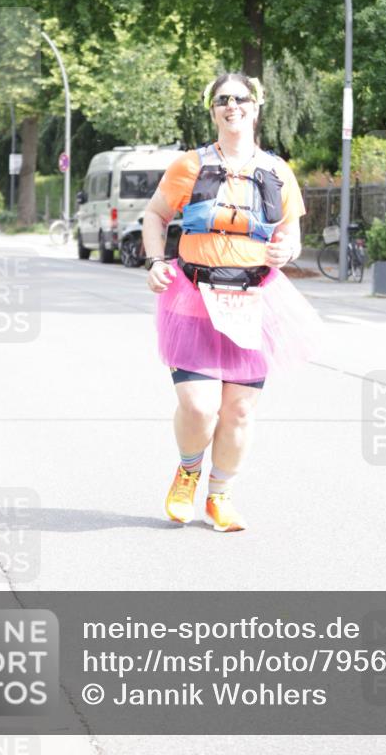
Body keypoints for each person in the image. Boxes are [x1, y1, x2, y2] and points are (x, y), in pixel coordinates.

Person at [143, 72, 317, 533]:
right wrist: (156, 260)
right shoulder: (189, 165)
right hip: (192, 298)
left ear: (256, 107)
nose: (232, 106)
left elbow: (291, 234)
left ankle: (219, 497)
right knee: (200, 407)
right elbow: (156, 214)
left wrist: (287, 250)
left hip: (253, 300)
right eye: (222, 100)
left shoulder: (278, 172)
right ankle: (188, 472)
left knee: (239, 410)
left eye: (240, 98)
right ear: (213, 110)